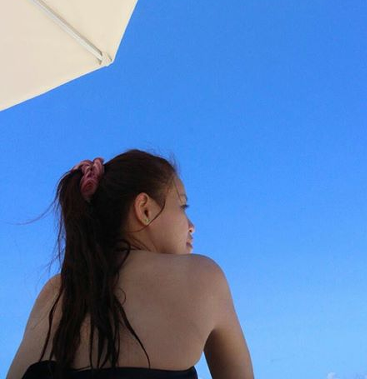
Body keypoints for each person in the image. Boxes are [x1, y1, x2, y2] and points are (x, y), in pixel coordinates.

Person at [7, 149, 254, 379]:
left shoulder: (54, 292)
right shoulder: (202, 277)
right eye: (182, 205)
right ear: (144, 209)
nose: (192, 226)